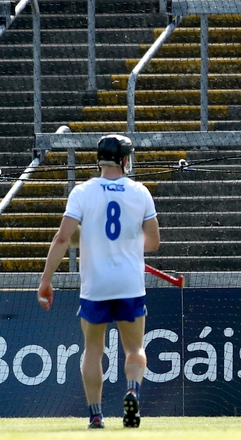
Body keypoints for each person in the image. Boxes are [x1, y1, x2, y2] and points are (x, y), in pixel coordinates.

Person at [37, 134, 160, 429]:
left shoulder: (82, 192)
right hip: (129, 283)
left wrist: (46, 280)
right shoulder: (140, 192)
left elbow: (63, 237)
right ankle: (132, 389)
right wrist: (127, 243)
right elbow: (153, 242)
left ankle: (96, 414)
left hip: (95, 284)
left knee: (93, 350)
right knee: (134, 349)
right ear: (126, 159)